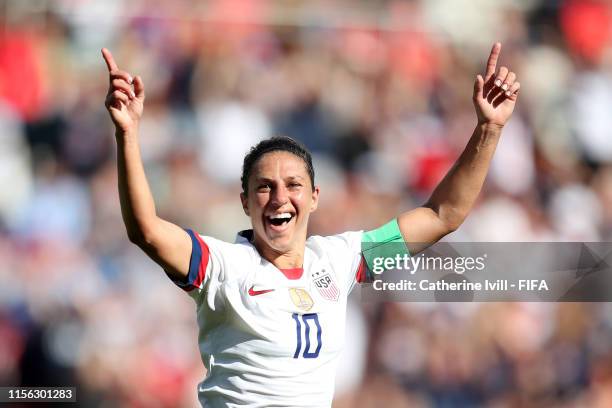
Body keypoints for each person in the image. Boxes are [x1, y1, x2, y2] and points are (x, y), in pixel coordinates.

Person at [102, 42, 519, 407]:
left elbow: (442, 215)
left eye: (293, 185)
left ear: (314, 197)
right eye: (264, 187)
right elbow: (147, 230)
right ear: (245, 202)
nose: (280, 198)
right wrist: (128, 134)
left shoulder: (339, 259)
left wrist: (489, 128)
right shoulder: (224, 267)